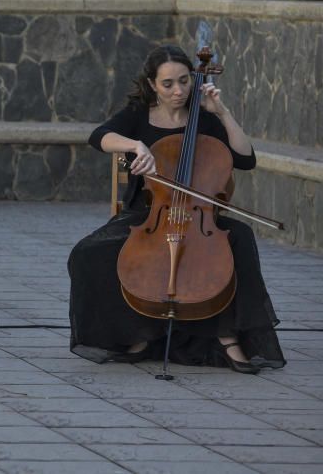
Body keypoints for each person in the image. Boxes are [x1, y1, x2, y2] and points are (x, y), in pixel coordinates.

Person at [68, 45, 285, 373]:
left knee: (239, 239)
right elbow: (99, 136)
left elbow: (245, 159)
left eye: (184, 81)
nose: (178, 90)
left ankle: (228, 338)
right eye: (168, 84)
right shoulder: (139, 113)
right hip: (148, 213)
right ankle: (140, 332)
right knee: (87, 253)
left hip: (201, 215)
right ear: (153, 84)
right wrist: (134, 144)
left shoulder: (205, 118)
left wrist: (222, 111)